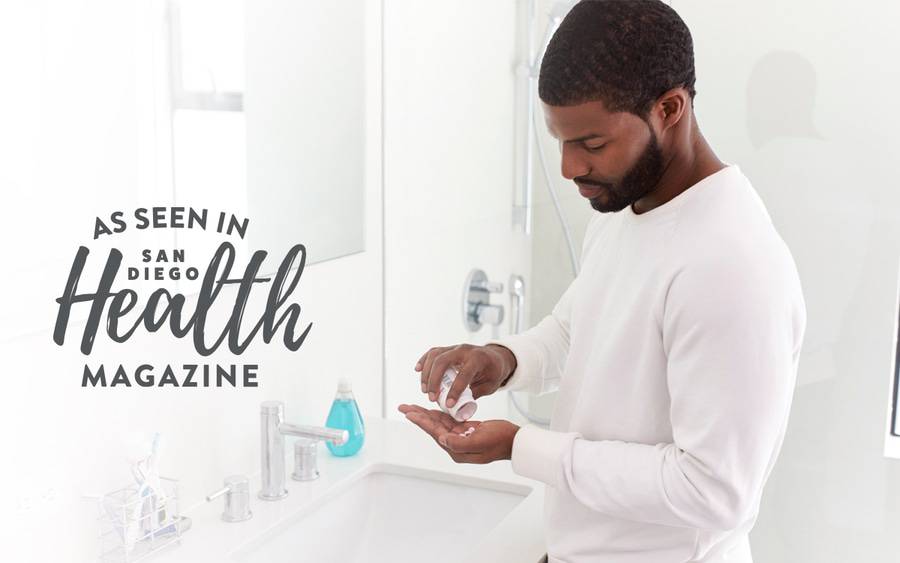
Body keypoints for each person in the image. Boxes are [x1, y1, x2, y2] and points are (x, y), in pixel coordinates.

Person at [398, 1, 806, 561]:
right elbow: (576, 330)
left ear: (669, 107)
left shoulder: (730, 265)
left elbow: (715, 491)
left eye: (591, 144)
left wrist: (521, 446)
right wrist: (501, 360)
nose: (568, 168)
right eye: (560, 140)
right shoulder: (629, 210)